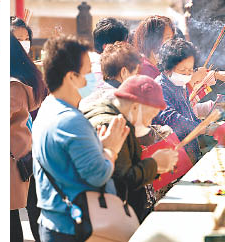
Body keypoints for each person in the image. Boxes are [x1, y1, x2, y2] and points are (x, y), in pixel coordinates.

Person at [31, 35, 130, 241]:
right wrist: (111, 149)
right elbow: (97, 174)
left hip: (56, 221)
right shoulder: (70, 120)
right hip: (74, 225)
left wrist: (97, 148)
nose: (92, 79)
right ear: (71, 77)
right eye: (87, 73)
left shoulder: (49, 107)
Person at [83, 76, 179, 222]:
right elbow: (123, 182)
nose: (149, 123)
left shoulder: (113, 116)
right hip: (112, 220)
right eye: (150, 116)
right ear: (135, 107)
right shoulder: (113, 125)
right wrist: (155, 164)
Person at [153, 38, 219, 162]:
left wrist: (211, 126)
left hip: (190, 151)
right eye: (182, 70)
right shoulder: (159, 87)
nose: (187, 75)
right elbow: (172, 118)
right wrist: (206, 129)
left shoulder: (179, 85)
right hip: (171, 157)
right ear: (167, 68)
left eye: (190, 70)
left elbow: (189, 116)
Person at [10, 33, 47, 242]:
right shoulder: (16, 84)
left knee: (11, 223)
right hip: (19, 162)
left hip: (12, 166)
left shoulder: (12, 87)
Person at [79, 41, 141, 107]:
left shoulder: (86, 100)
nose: (138, 77)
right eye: (136, 73)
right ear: (124, 72)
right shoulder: (125, 103)